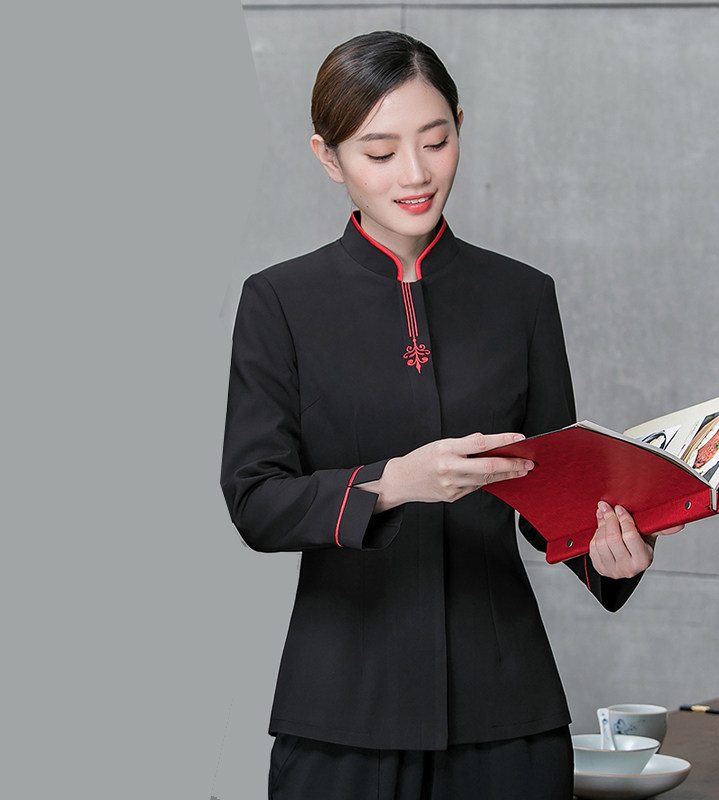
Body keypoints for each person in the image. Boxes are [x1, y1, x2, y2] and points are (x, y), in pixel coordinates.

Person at [221, 30, 683, 800]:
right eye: (380, 152)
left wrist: (610, 556)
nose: (415, 173)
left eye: (436, 142)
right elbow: (256, 501)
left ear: (460, 127)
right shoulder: (279, 302)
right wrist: (394, 483)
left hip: (506, 715)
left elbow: (552, 495)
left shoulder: (521, 297)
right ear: (328, 157)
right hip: (342, 712)